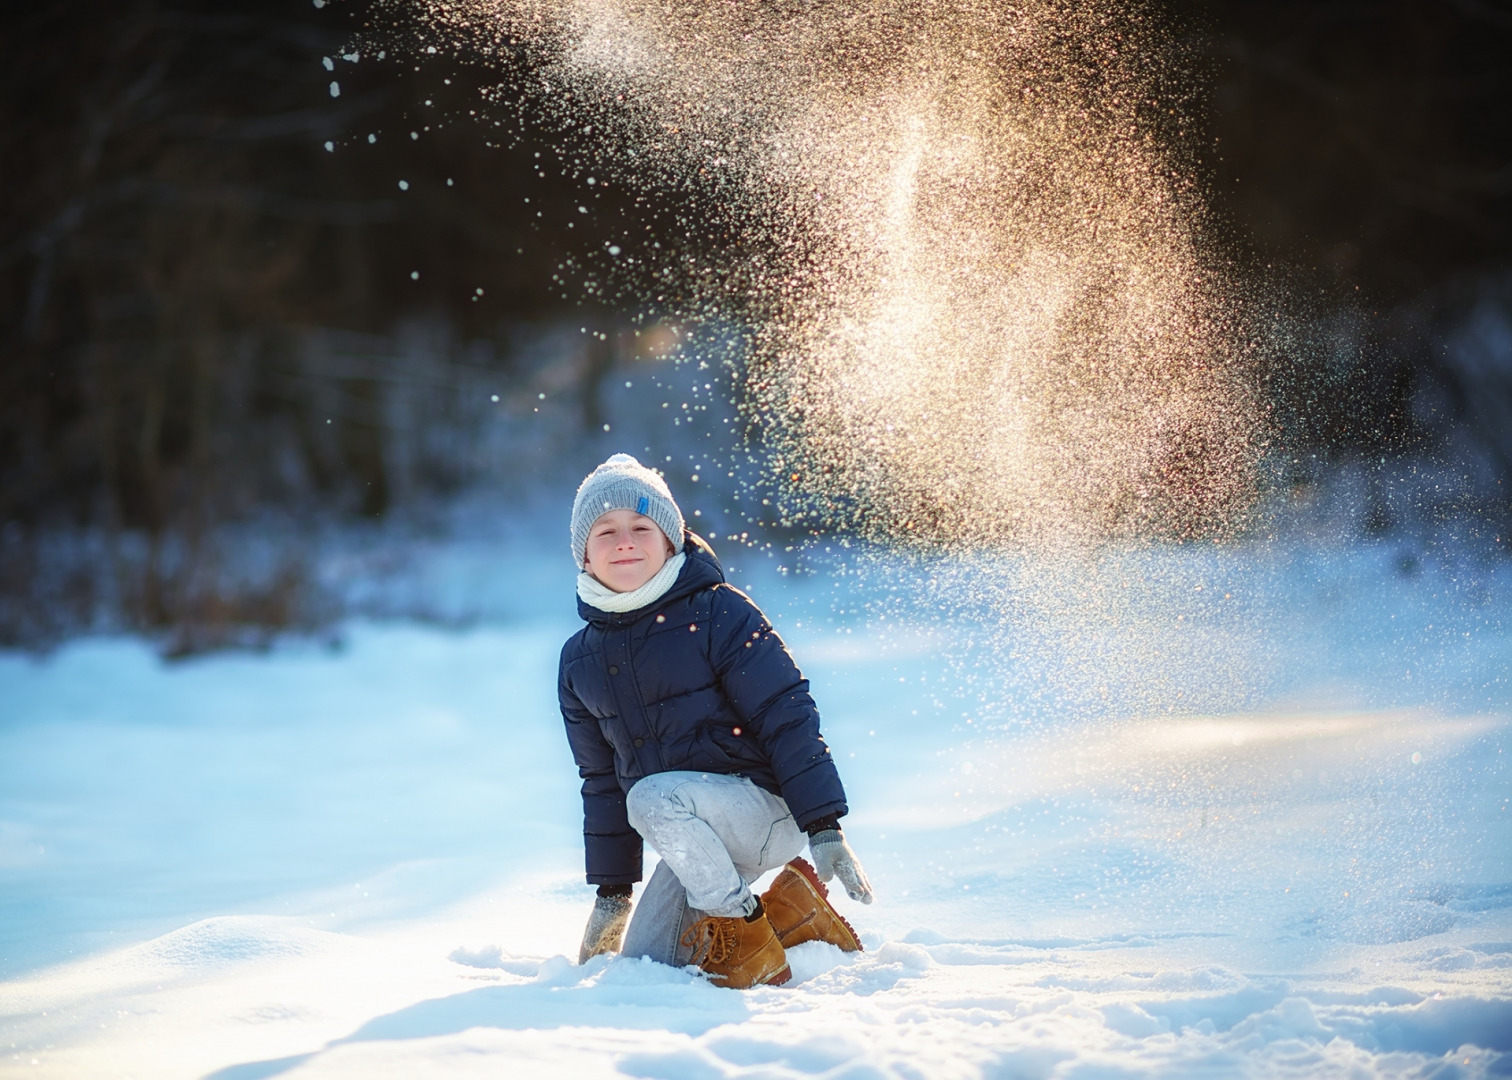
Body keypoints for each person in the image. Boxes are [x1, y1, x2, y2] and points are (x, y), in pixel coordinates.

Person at [560, 453, 874, 988]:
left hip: (762, 808)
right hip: (696, 840)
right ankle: (794, 915)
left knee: (652, 798)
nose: (625, 541)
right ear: (584, 556)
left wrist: (824, 825)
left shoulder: (719, 613)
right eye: (605, 531)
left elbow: (787, 714)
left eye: (642, 526)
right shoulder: (579, 661)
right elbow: (601, 780)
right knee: (649, 965)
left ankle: (742, 927)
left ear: (671, 540)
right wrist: (613, 894)